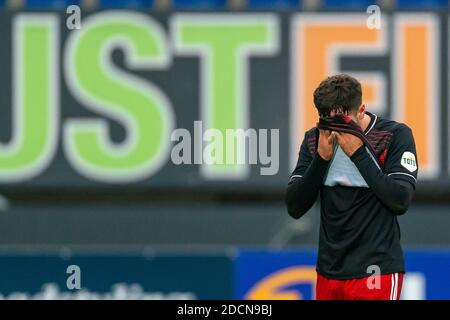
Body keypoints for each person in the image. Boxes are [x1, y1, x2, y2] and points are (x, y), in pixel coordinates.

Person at [285, 74, 418, 300]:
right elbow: (295, 207)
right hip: (330, 271)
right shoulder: (315, 140)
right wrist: (321, 160)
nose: (336, 131)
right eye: (327, 121)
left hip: (376, 268)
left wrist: (358, 153)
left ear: (362, 110)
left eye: (343, 122)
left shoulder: (393, 135)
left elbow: (400, 200)